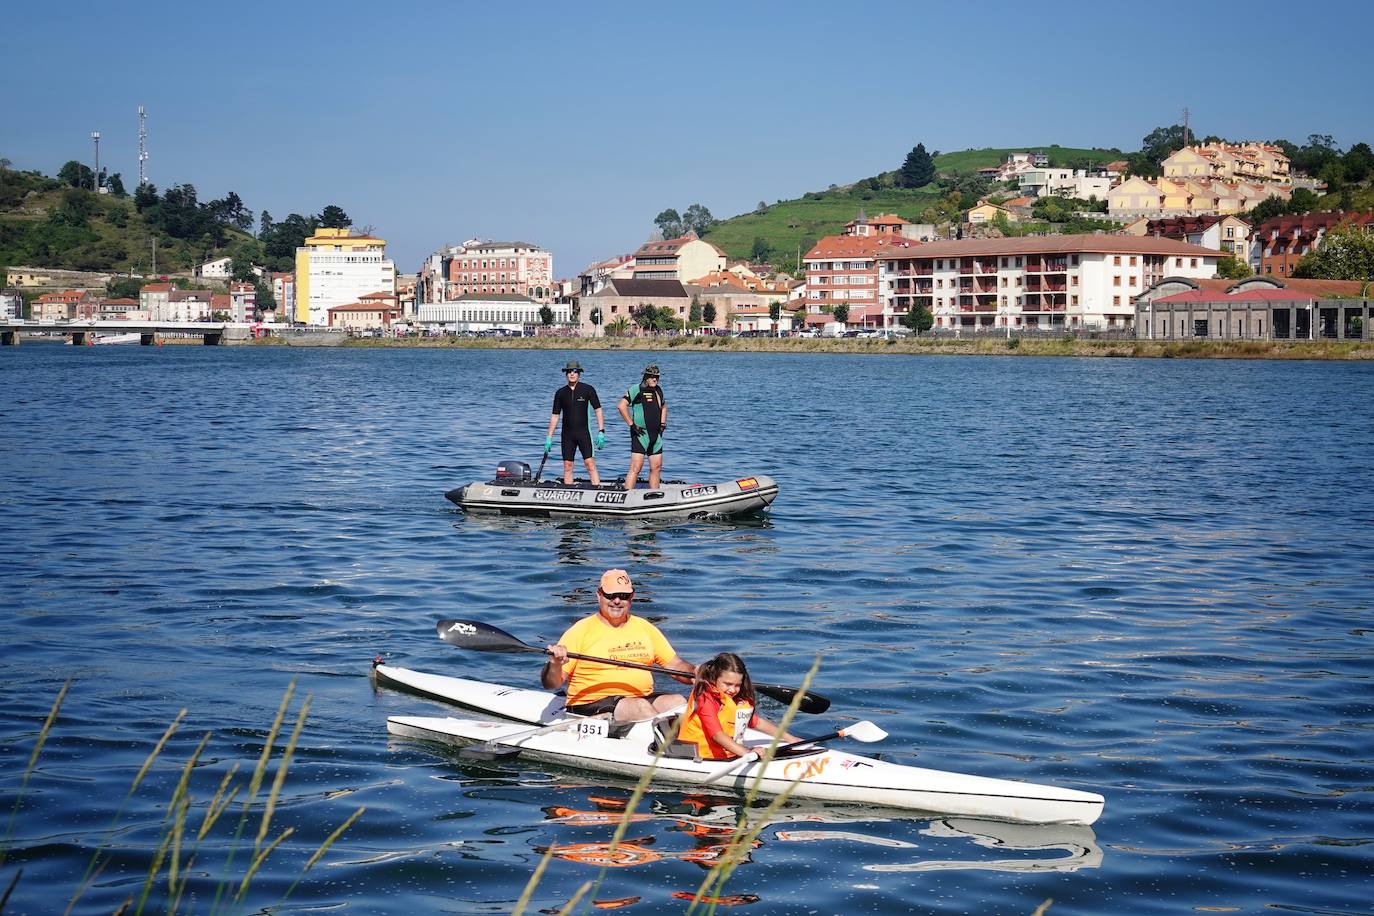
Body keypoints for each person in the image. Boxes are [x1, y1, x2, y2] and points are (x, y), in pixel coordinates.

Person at [542, 569, 695, 720]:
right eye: (611, 595)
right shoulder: (580, 631)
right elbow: (551, 684)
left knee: (678, 702)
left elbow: (675, 665)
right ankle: (660, 741)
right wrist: (555, 664)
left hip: (638, 698)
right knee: (640, 707)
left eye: (623, 596)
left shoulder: (645, 628)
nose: (617, 601)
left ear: (632, 597)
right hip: (589, 703)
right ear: (599, 595)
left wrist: (697, 673)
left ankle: (677, 741)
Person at [678, 653, 799, 761]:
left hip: (728, 753)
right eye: (728, 684)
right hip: (700, 755)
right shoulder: (705, 699)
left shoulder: (734, 700)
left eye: (737, 685)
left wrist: (790, 738)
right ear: (714, 679)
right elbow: (717, 735)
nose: (732, 690)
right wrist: (747, 752)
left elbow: (757, 723)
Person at [546, 360, 606, 486]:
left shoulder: (588, 390)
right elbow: (555, 416)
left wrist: (601, 431)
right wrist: (549, 437)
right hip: (567, 435)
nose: (572, 374)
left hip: (584, 433)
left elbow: (598, 410)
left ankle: (597, 490)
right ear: (566, 374)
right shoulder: (560, 393)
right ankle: (569, 492)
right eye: (569, 372)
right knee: (568, 466)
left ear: (579, 373)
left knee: (590, 464)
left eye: (575, 371)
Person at [616, 363, 667, 490]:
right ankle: (627, 495)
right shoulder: (636, 389)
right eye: (652, 376)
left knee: (656, 467)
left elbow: (664, 407)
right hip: (640, 435)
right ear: (646, 377)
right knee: (636, 467)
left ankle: (655, 495)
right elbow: (621, 406)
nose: (655, 379)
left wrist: (662, 424)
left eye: (657, 377)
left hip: (656, 437)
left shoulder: (658, 390)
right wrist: (632, 424)